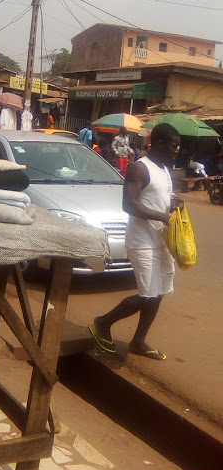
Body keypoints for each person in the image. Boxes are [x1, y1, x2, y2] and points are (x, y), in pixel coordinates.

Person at [89, 123, 181, 361]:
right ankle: (102, 323)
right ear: (159, 142)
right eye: (173, 145)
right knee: (148, 294)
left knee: (159, 292)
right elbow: (129, 204)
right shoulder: (140, 168)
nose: (177, 150)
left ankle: (138, 341)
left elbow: (155, 200)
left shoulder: (164, 169)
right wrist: (162, 215)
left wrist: (172, 206)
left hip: (161, 239)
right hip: (142, 241)